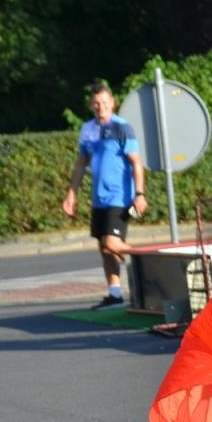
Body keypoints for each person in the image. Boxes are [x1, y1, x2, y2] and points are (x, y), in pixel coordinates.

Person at [61, 82, 147, 309]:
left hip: (121, 198)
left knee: (112, 243)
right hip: (99, 199)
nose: (101, 107)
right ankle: (115, 294)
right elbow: (81, 163)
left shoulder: (123, 128)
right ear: (92, 105)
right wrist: (71, 193)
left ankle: (148, 261)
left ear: (113, 104)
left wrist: (139, 194)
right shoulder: (87, 129)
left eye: (105, 103)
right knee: (104, 248)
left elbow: (136, 163)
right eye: (96, 103)